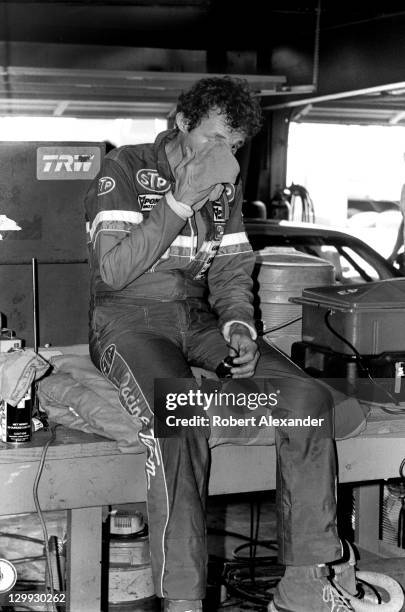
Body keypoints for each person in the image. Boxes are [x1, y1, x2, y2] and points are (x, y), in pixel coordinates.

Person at [84, 76, 362, 612]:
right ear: (182, 123)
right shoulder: (124, 168)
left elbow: (233, 268)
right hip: (128, 321)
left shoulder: (225, 188)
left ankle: (303, 585)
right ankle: (184, 600)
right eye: (212, 140)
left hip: (197, 317)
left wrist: (239, 326)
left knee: (308, 403)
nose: (223, 156)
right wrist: (180, 200)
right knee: (182, 415)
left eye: (232, 147)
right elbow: (113, 271)